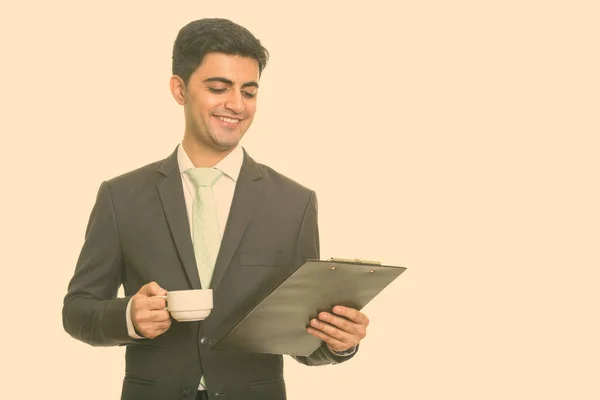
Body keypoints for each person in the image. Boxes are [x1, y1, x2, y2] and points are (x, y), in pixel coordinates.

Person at [62, 18, 370, 400]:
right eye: (218, 88)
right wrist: (129, 317)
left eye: (249, 91)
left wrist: (340, 342)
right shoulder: (120, 197)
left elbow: (299, 337)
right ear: (179, 89)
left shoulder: (294, 202)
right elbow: (77, 311)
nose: (236, 105)